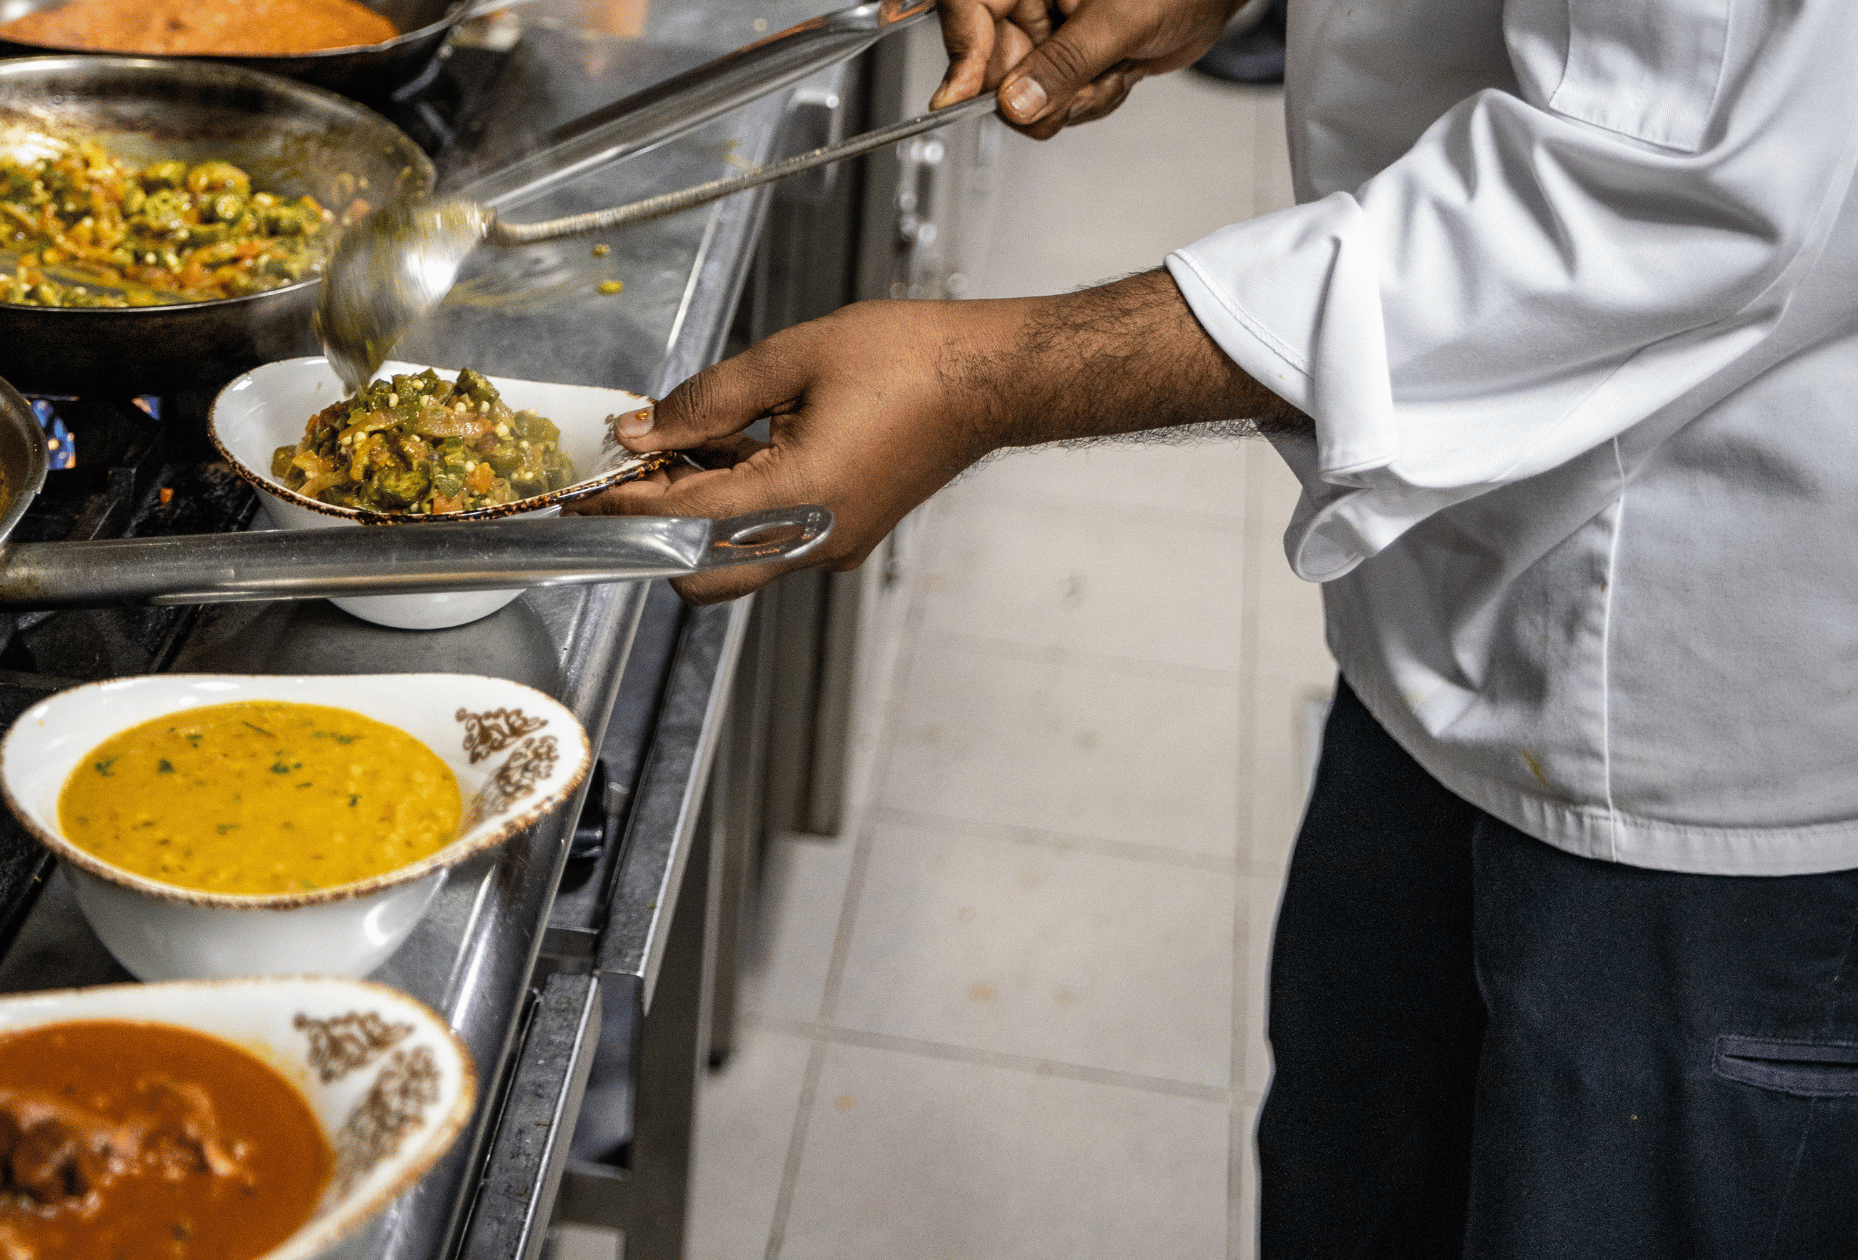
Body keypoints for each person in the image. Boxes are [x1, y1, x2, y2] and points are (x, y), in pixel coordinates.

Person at [575, 0, 1858, 1254]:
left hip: (1718, 727)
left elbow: (1654, 194)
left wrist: (987, 379)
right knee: (1344, 1188)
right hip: (1432, 617)